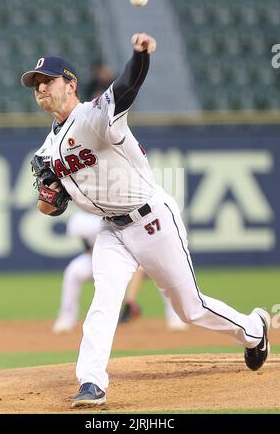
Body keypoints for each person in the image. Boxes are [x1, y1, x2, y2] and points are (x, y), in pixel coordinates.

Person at [21, 33, 270, 408]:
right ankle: (91, 383)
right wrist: (50, 199)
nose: (40, 88)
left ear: (70, 84)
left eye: (48, 80)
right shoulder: (47, 149)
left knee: (191, 308)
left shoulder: (94, 116)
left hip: (151, 219)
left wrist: (140, 56)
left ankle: (254, 329)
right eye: (36, 84)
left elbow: (125, 86)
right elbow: (49, 206)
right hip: (111, 230)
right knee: (104, 301)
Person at [53, 211, 187, 333]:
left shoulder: (126, 209)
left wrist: (130, 300)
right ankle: (66, 318)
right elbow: (88, 248)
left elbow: (140, 252)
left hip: (135, 257)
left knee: (163, 271)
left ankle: (176, 317)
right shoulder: (81, 218)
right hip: (98, 258)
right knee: (74, 271)